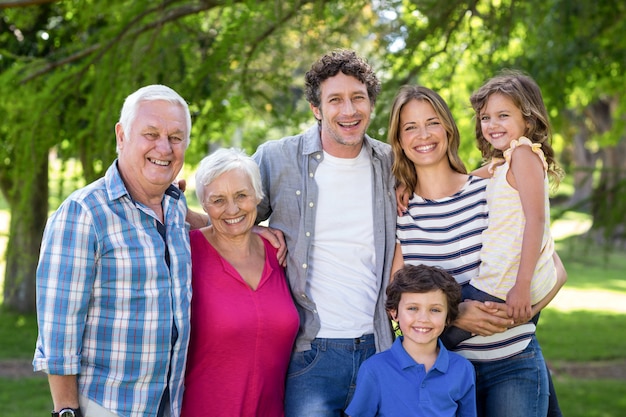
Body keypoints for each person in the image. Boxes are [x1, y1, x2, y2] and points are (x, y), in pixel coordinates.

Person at [390, 85, 567, 417]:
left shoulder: (489, 189)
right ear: (398, 140)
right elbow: (397, 307)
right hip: (444, 377)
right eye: (410, 127)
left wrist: (522, 312)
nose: (423, 135)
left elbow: (555, 268)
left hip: (512, 364)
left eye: (432, 122)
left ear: (448, 128)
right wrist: (456, 315)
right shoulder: (400, 212)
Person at [33, 85, 193, 417]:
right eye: (150, 134)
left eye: (176, 138)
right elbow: (59, 332)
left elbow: (211, 227)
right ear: (121, 136)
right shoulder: (84, 213)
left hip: (169, 405)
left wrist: (256, 234)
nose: (164, 147)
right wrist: (67, 411)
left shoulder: (176, 208)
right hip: (106, 408)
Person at [253, 49, 397, 416]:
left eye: (358, 98)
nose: (348, 111)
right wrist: (254, 228)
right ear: (316, 108)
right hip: (310, 354)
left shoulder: (393, 163)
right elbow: (225, 216)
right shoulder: (277, 158)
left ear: (371, 103)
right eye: (335, 100)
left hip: (379, 349)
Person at [444, 70, 564, 347]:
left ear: (528, 118)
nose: (492, 124)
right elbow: (456, 182)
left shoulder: (523, 154)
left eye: (503, 115)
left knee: (426, 340)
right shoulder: (506, 162)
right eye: (486, 117)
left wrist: (521, 287)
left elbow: (536, 221)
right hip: (497, 281)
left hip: (502, 284)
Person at [180, 148, 299, 416]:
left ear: (258, 196)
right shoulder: (186, 253)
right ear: (203, 204)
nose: (232, 209)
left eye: (242, 196)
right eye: (218, 200)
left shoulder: (279, 253)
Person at [346, 264, 477, 417]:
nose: (423, 319)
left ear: (448, 317)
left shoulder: (462, 369)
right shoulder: (374, 369)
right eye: (413, 308)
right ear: (394, 313)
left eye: (435, 310)